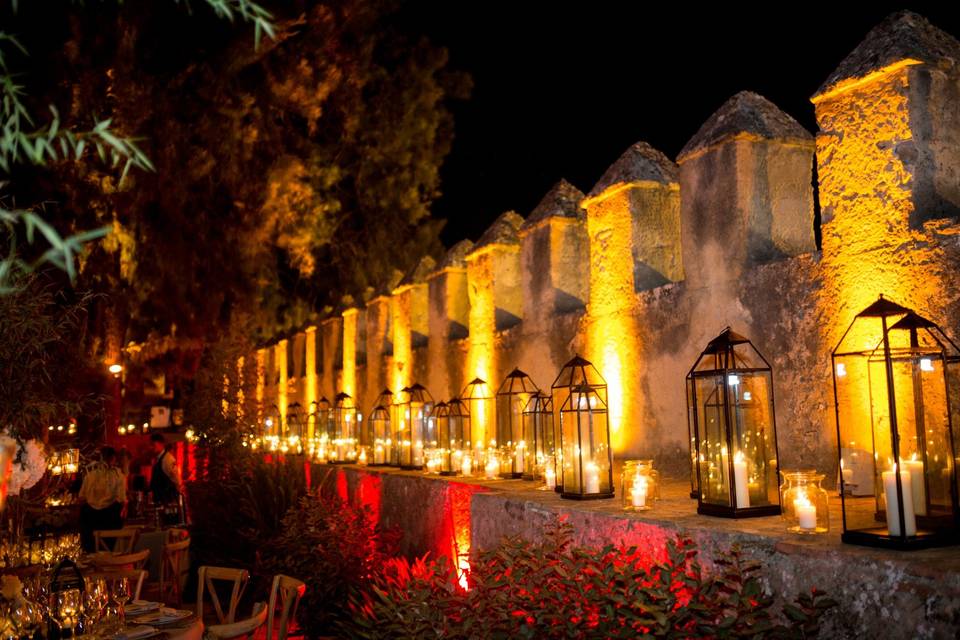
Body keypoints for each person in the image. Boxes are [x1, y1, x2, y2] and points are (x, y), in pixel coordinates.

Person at [78, 446, 127, 552]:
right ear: (113, 458)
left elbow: (81, 498)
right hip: (110, 523)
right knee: (111, 548)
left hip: (90, 525)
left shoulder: (89, 475)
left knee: (91, 549)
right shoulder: (118, 476)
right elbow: (121, 499)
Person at [149, 433, 181, 505]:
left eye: (153, 445)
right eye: (150, 445)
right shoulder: (158, 459)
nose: (151, 447)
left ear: (161, 444)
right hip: (159, 500)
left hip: (167, 501)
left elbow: (176, 480)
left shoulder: (168, 459)